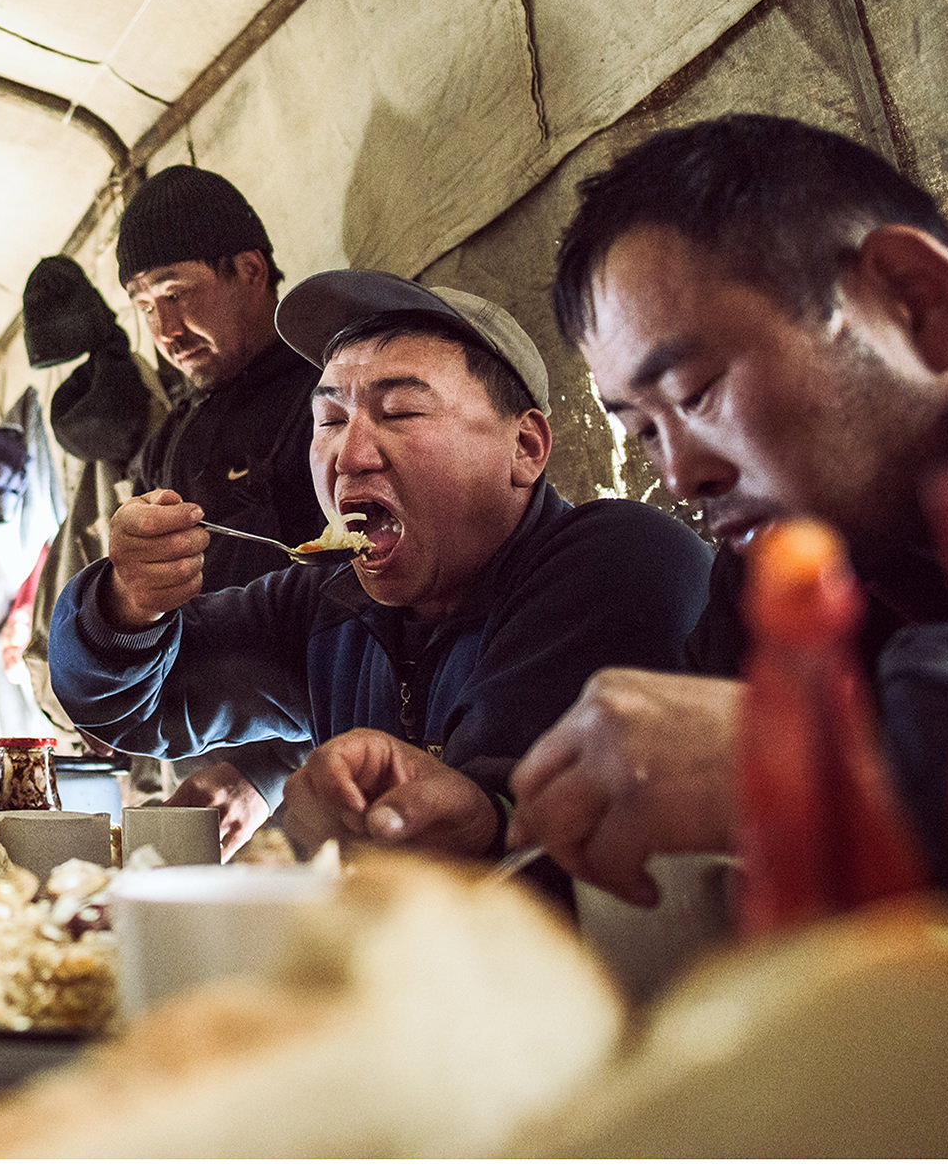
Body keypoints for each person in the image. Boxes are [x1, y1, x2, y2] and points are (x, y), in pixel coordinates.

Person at [509, 115, 948, 902]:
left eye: (696, 394)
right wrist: (505, 817)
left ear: (913, 300)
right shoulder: (785, 558)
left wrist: (813, 758)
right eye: (644, 431)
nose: (681, 476)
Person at [50, 271, 714, 865]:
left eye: (400, 411)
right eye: (329, 419)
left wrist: (467, 818)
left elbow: (526, 832)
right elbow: (132, 707)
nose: (349, 454)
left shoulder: (615, 563)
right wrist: (126, 602)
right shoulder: (328, 604)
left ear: (526, 446)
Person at [115, 167, 331, 853]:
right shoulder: (169, 439)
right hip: (195, 777)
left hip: (319, 782)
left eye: (177, 293)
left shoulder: (325, 403)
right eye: (145, 306)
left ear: (249, 269)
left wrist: (269, 769)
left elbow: (373, 613)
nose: (165, 329)